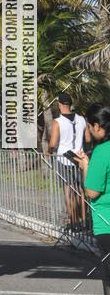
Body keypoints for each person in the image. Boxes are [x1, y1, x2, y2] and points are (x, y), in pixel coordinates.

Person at [73, 104, 110, 295]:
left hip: (106, 223)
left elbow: (92, 191)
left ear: (97, 127)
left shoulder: (102, 151)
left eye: (89, 126)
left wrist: (85, 167)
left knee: (109, 280)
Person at [48, 92, 88, 228]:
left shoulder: (57, 122)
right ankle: (84, 219)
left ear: (59, 104)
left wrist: (48, 152)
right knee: (80, 190)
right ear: (70, 104)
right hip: (79, 158)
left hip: (64, 159)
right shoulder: (82, 119)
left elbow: (53, 143)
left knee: (68, 190)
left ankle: (73, 222)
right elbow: (87, 139)